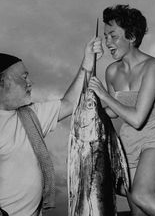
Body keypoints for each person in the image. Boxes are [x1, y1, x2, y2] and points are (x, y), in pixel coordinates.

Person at [88, 4, 155, 216]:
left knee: (142, 194)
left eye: (113, 36)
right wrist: (92, 101)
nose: (108, 42)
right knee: (137, 213)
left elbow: (138, 118)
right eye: (105, 37)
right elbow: (113, 112)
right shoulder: (111, 71)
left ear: (131, 36)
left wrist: (104, 95)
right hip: (128, 142)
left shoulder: (153, 66)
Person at [0, 37, 103, 216]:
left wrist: (87, 61)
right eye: (23, 77)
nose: (30, 83)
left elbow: (70, 103)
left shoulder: (30, 115)